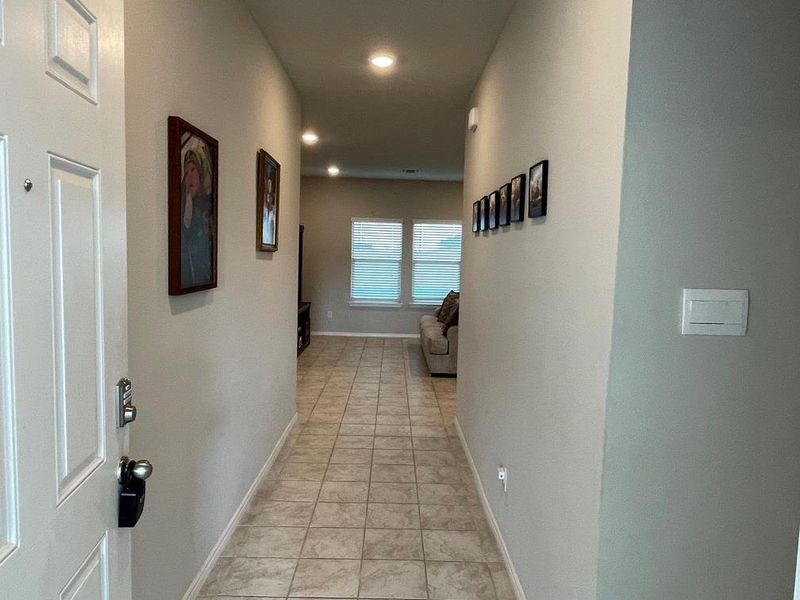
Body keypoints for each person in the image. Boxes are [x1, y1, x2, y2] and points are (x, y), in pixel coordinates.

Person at [181, 145, 213, 286]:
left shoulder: (208, 206)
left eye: (193, 170)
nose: (189, 177)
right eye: (186, 172)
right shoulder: (184, 209)